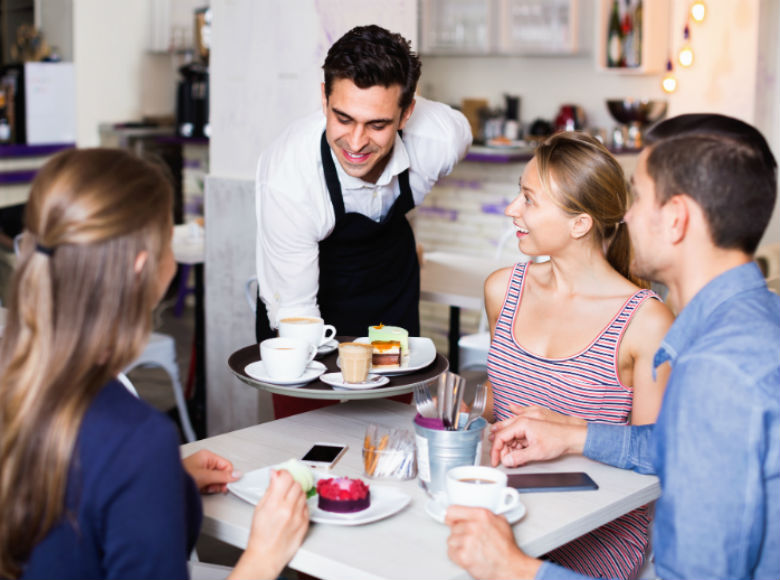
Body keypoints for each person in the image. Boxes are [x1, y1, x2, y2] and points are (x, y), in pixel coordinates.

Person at [445, 114, 779, 580]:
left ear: (676, 218)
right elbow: (668, 444)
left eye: (638, 196)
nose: (624, 214)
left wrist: (515, 569)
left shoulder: (718, 369)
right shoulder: (753, 324)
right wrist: (574, 434)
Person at [0, 149, 309, 580]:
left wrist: (166, 483)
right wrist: (264, 556)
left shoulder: (19, 387)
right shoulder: (136, 440)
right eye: (168, 243)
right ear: (142, 266)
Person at [480, 131, 674, 579]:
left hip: (595, 531)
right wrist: (449, 406)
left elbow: (656, 456)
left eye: (529, 200)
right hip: (505, 501)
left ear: (580, 224)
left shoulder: (646, 322)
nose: (512, 209)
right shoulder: (502, 289)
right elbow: (502, 394)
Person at [254, 24, 471, 418]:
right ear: (324, 98)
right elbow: (295, 312)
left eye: (377, 124)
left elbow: (456, 133)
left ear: (406, 113)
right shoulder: (289, 176)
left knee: (393, 431)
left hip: (391, 290)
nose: (355, 143)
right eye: (343, 118)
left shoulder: (439, 141)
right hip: (307, 306)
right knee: (308, 436)